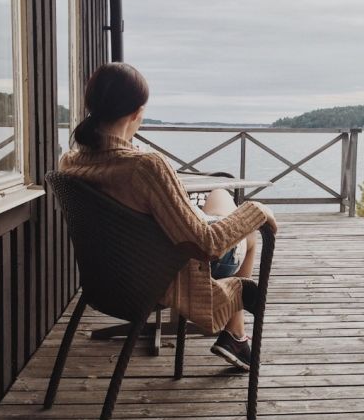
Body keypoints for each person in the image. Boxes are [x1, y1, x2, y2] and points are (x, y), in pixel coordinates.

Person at [59, 62, 277, 370]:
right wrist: (257, 210)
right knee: (249, 230)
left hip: (112, 277)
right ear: (137, 112)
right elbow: (207, 245)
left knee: (218, 195)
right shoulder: (146, 166)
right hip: (160, 274)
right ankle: (236, 334)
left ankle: (236, 337)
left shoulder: (70, 162)